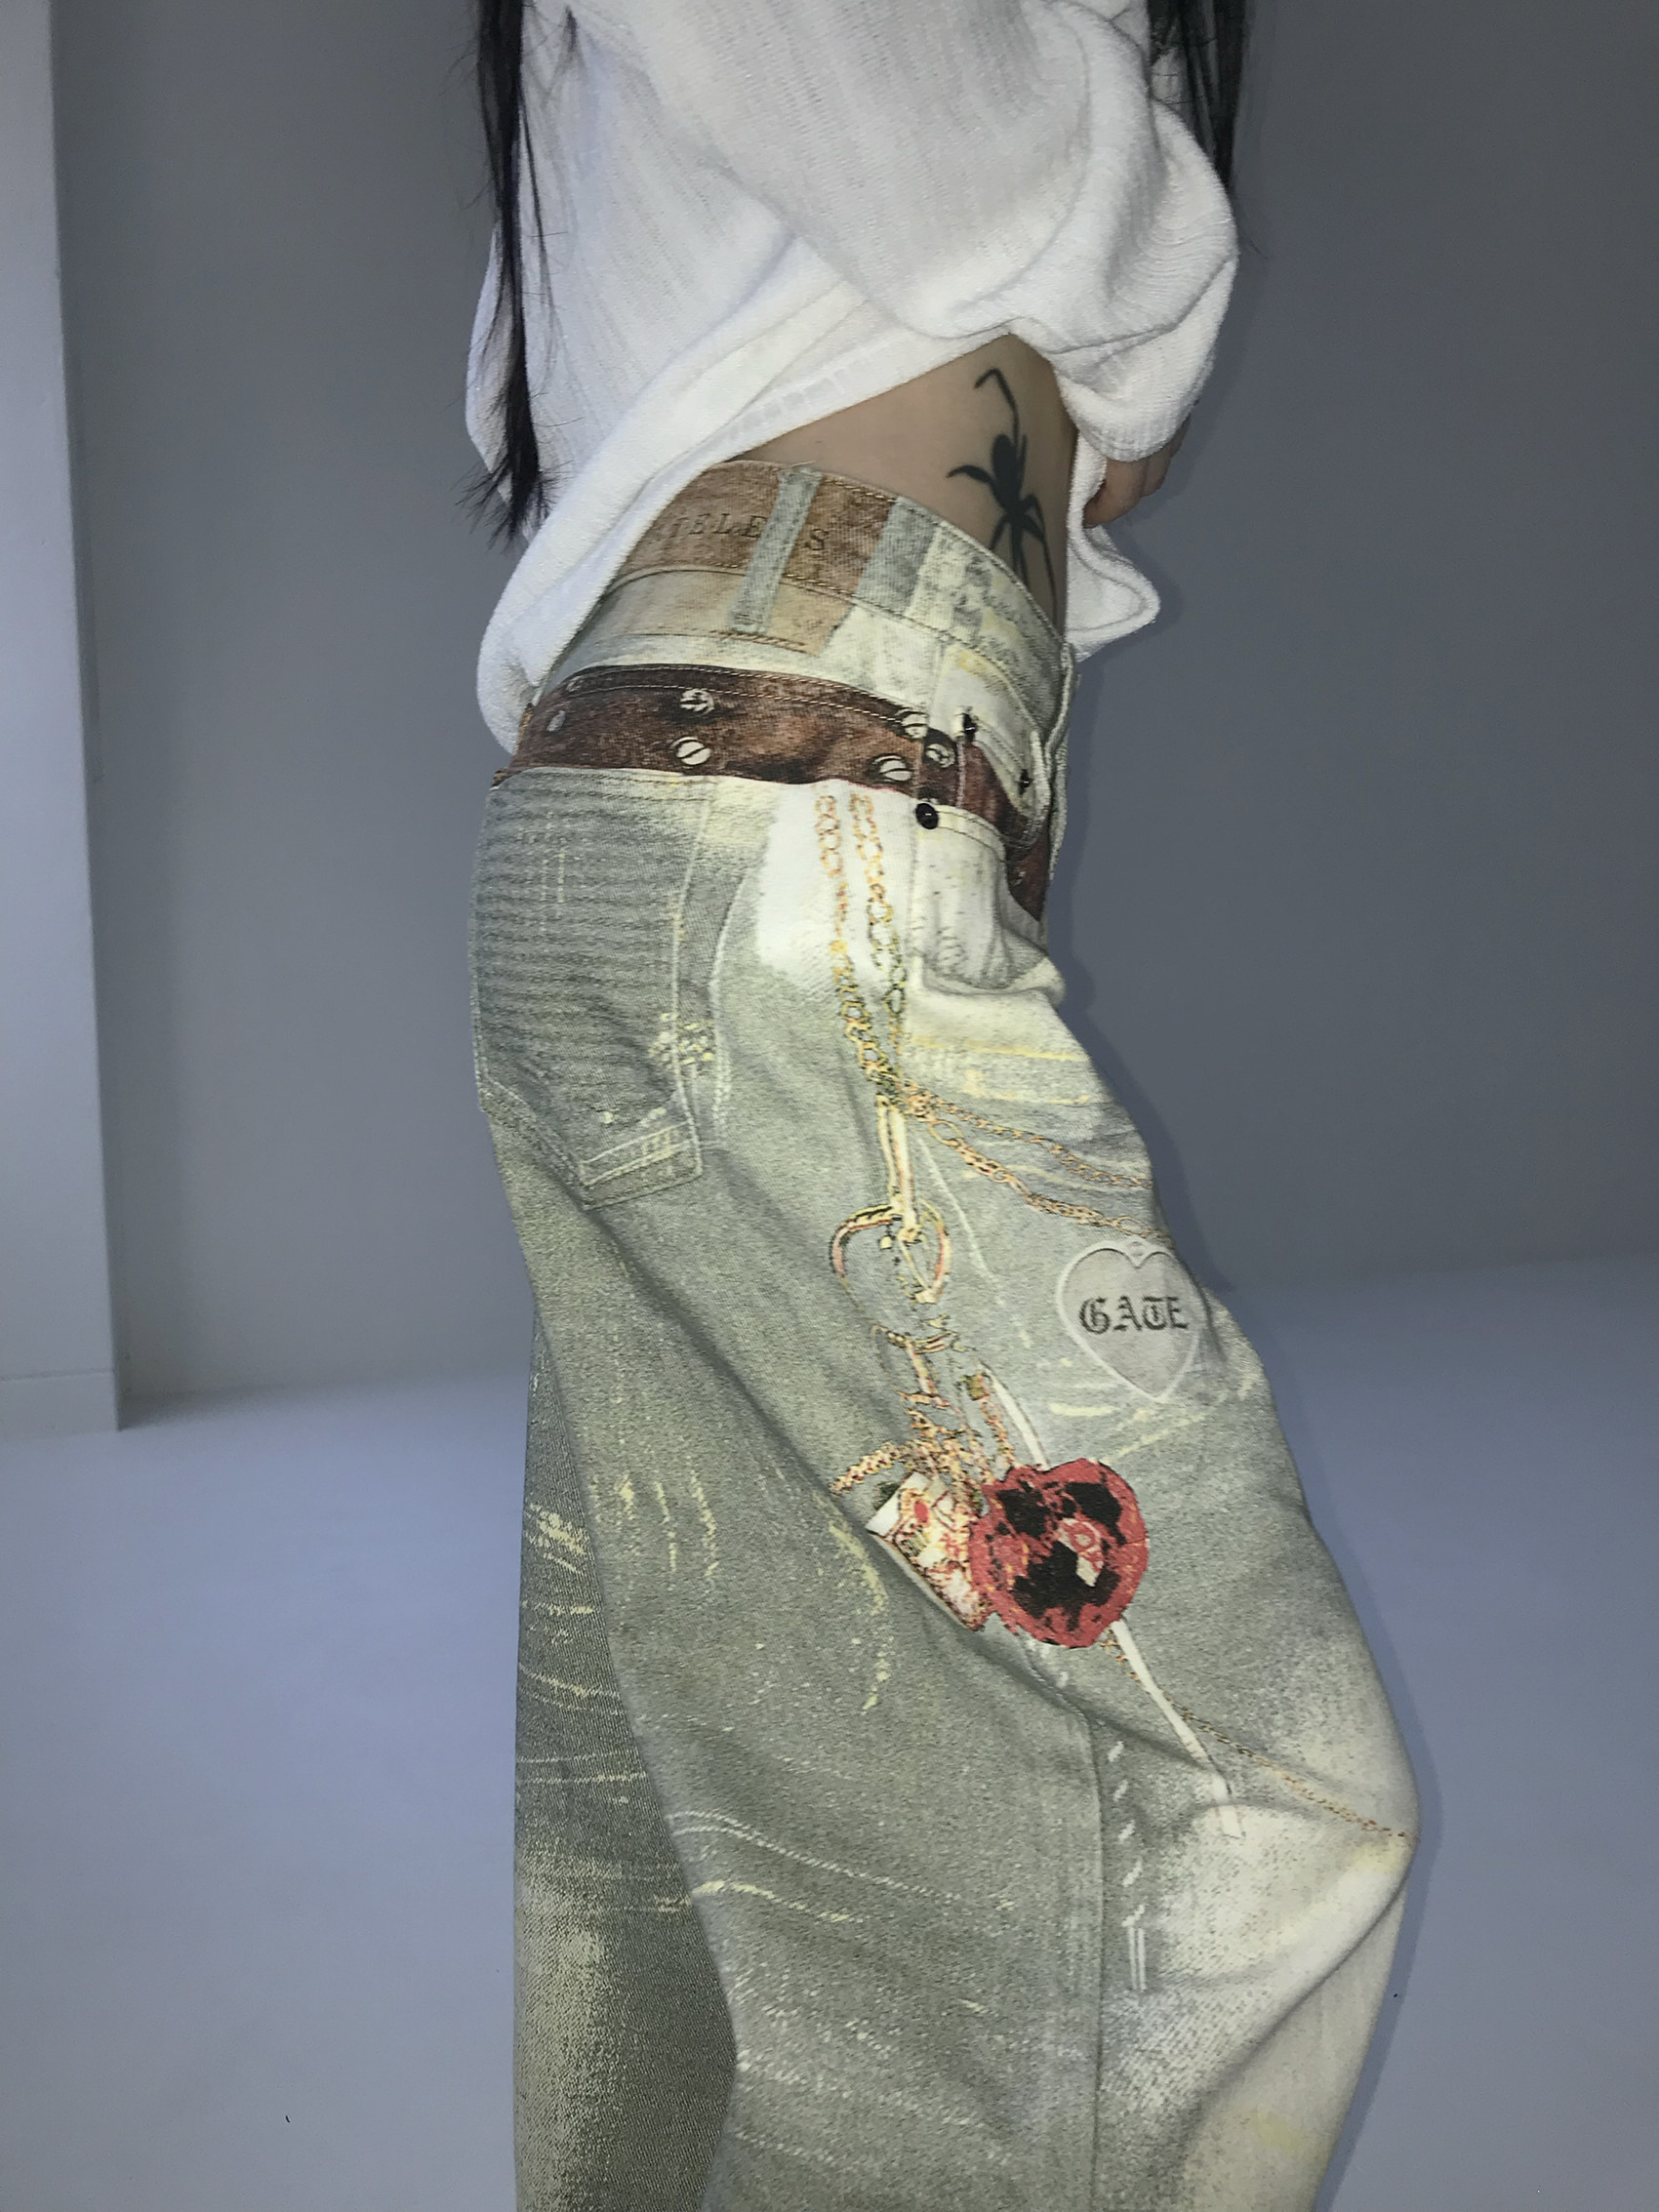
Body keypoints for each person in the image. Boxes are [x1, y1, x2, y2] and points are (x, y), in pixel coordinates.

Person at [461, 5, 1419, 2208]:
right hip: (792, 823)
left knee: (739, 1779)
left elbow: (555, 382)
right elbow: (988, 179)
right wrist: (1144, 290)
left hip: (688, 820)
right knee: (1245, 1795)